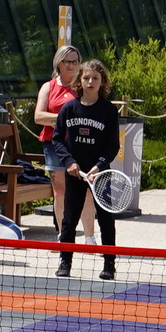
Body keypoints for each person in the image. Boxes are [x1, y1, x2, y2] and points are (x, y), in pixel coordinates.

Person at [51, 58, 122, 280]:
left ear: (103, 82)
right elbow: (57, 139)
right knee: (69, 219)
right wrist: (69, 162)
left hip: (100, 174)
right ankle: (65, 262)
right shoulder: (69, 109)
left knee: (106, 218)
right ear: (79, 81)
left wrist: (98, 166)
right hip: (75, 173)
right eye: (86, 78)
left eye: (95, 78)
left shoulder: (109, 111)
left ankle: (109, 264)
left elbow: (113, 145)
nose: (91, 82)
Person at [31, 42, 81, 228]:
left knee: (81, 190)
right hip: (54, 144)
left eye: (75, 62)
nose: (71, 65)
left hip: (80, 143)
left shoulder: (82, 87)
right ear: (58, 63)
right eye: (67, 61)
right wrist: (64, 119)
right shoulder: (48, 87)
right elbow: (38, 117)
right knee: (60, 190)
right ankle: (62, 232)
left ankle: (86, 233)